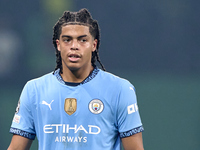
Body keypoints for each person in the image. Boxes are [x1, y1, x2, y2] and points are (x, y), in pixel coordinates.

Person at [8, 8, 144, 150]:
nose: (74, 46)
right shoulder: (34, 90)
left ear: (94, 45)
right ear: (58, 45)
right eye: (67, 40)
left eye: (82, 40)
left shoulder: (120, 89)